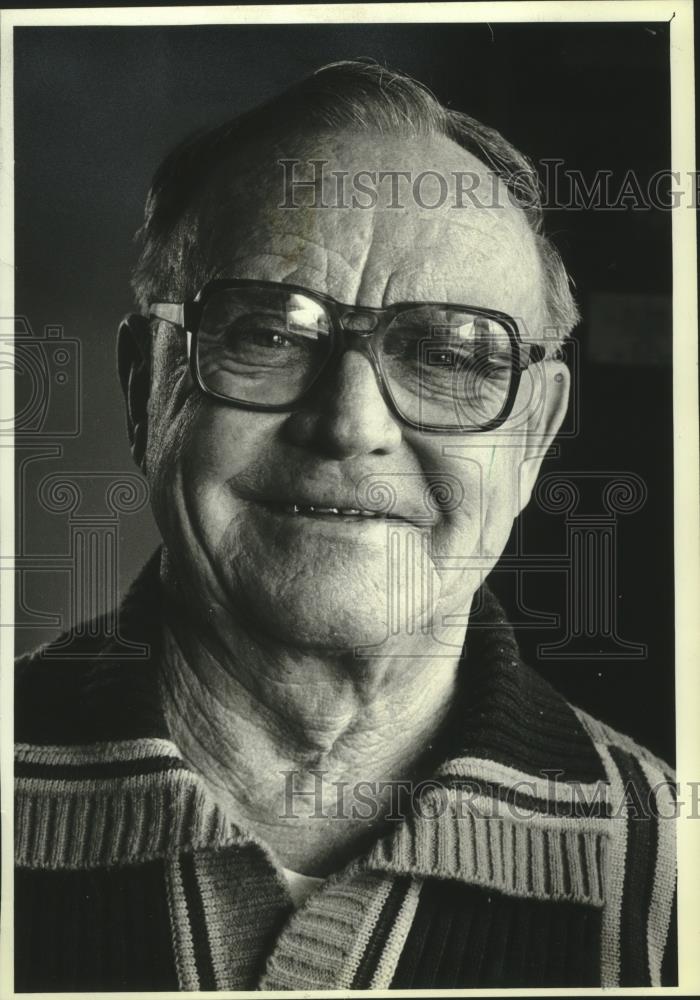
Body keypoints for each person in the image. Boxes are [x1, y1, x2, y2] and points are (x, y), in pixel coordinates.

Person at [15, 61, 676, 991]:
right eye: (270, 336)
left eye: (450, 353)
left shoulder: (673, 872)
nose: (352, 425)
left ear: (534, 438)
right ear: (143, 388)